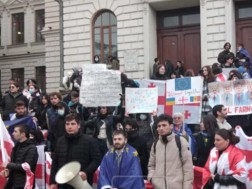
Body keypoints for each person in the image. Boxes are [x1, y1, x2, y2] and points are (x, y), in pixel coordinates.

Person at [50, 113, 101, 189]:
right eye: (67, 124)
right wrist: (53, 182)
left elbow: (97, 159)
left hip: (82, 182)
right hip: (63, 183)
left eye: (73, 124)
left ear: (79, 125)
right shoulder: (60, 141)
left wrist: (86, 172)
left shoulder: (89, 141)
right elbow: (55, 163)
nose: (69, 127)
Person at [148, 114, 193, 189]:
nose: (161, 128)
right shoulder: (155, 144)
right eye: (159, 126)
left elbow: (188, 168)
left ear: (171, 126)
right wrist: (152, 179)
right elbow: (151, 165)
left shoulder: (181, 141)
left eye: (164, 125)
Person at [0, 124, 38, 189]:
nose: (13, 133)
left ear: (23, 134)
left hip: (24, 184)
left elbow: (27, 166)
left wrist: (8, 165)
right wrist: (8, 172)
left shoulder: (32, 148)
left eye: (15, 131)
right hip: (12, 182)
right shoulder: (16, 147)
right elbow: (15, 163)